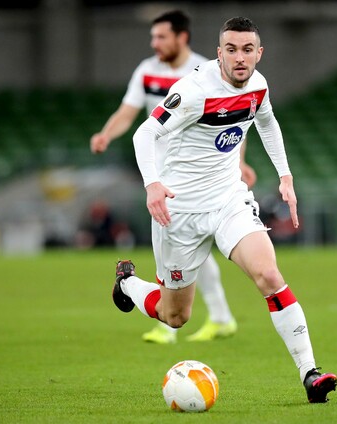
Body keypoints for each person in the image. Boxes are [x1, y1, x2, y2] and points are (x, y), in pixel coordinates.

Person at [115, 16, 337, 403]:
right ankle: (128, 284)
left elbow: (267, 122)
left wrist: (285, 176)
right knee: (175, 316)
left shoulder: (258, 85)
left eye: (247, 50)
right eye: (231, 50)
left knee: (269, 275)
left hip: (227, 200)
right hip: (179, 211)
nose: (240, 58)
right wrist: (152, 184)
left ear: (259, 53)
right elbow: (144, 133)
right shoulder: (194, 91)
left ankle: (310, 374)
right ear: (219, 53)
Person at [90, 10, 252, 344]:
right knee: (188, 249)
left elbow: (234, 117)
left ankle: (171, 321)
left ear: (182, 37)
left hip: (192, 175)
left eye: (161, 37)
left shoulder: (206, 71)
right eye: (153, 37)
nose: (155, 43)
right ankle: (220, 317)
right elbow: (127, 112)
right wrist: (107, 134)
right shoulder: (147, 71)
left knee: (181, 249)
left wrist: (239, 161)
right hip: (159, 175)